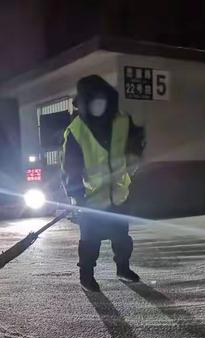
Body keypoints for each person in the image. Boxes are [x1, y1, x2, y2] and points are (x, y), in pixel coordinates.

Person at [61, 75, 145, 292]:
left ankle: (123, 269)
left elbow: (135, 144)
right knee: (90, 242)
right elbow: (70, 167)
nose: (99, 104)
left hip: (118, 193)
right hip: (91, 198)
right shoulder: (77, 130)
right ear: (84, 103)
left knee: (122, 238)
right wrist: (77, 195)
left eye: (102, 99)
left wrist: (134, 156)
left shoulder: (122, 121)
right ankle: (86, 276)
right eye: (92, 100)